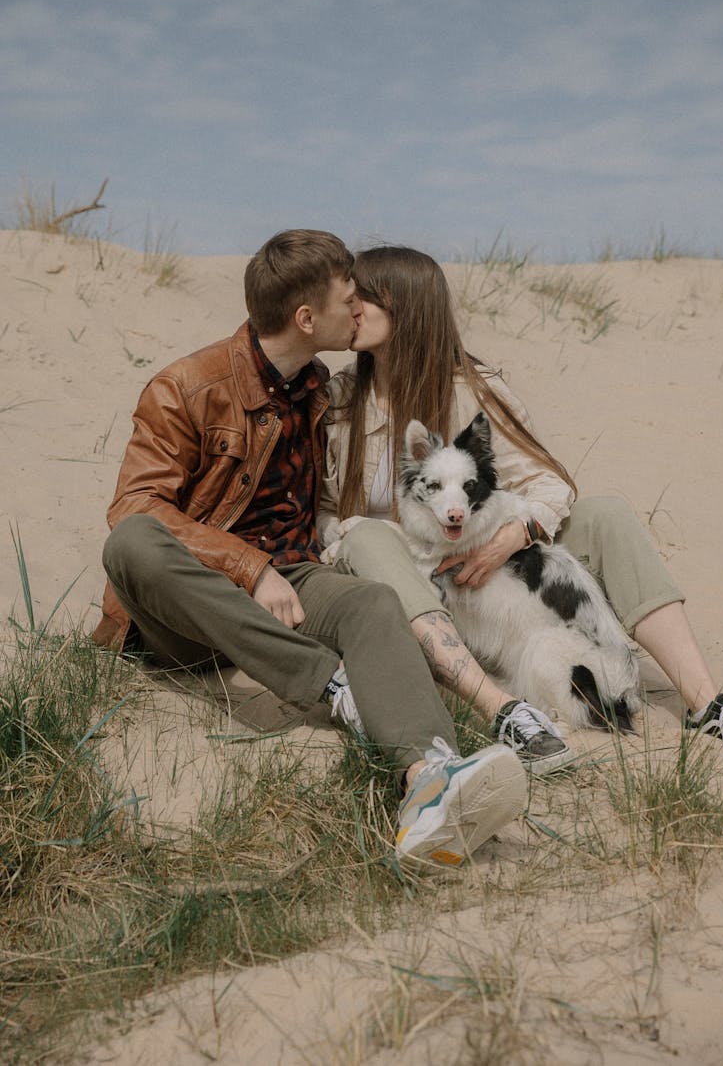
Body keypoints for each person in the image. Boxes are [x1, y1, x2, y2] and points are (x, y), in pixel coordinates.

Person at [92, 229, 529, 870]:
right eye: (350, 298)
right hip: (195, 606)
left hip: (295, 578)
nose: (360, 309)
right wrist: (252, 567)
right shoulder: (183, 388)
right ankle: (332, 685)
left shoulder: (321, 385)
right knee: (131, 540)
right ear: (306, 318)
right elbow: (134, 508)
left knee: (373, 604)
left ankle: (430, 779)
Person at [318, 245, 723, 750]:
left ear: (407, 308)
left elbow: (551, 484)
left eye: (366, 297)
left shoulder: (469, 390)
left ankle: (706, 703)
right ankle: (496, 706)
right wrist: (362, 540)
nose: (352, 307)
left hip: (484, 578)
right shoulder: (338, 398)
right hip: (404, 585)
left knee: (604, 513)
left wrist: (511, 537)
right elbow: (325, 513)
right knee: (369, 534)